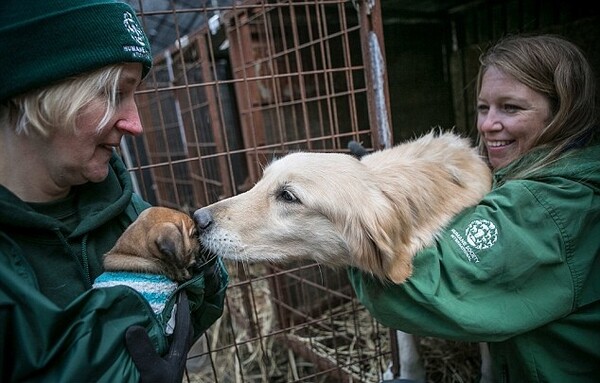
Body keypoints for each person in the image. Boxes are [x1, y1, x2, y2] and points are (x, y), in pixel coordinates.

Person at [348, 34, 600, 382]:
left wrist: (342, 214)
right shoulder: (537, 173)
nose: (486, 125)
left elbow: (413, 286)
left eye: (510, 108)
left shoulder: (550, 208)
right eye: (484, 108)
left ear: (563, 112)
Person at [0, 1, 228, 382]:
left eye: (135, 92)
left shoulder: (123, 209)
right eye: (112, 93)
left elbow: (202, 303)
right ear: (37, 93)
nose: (136, 123)